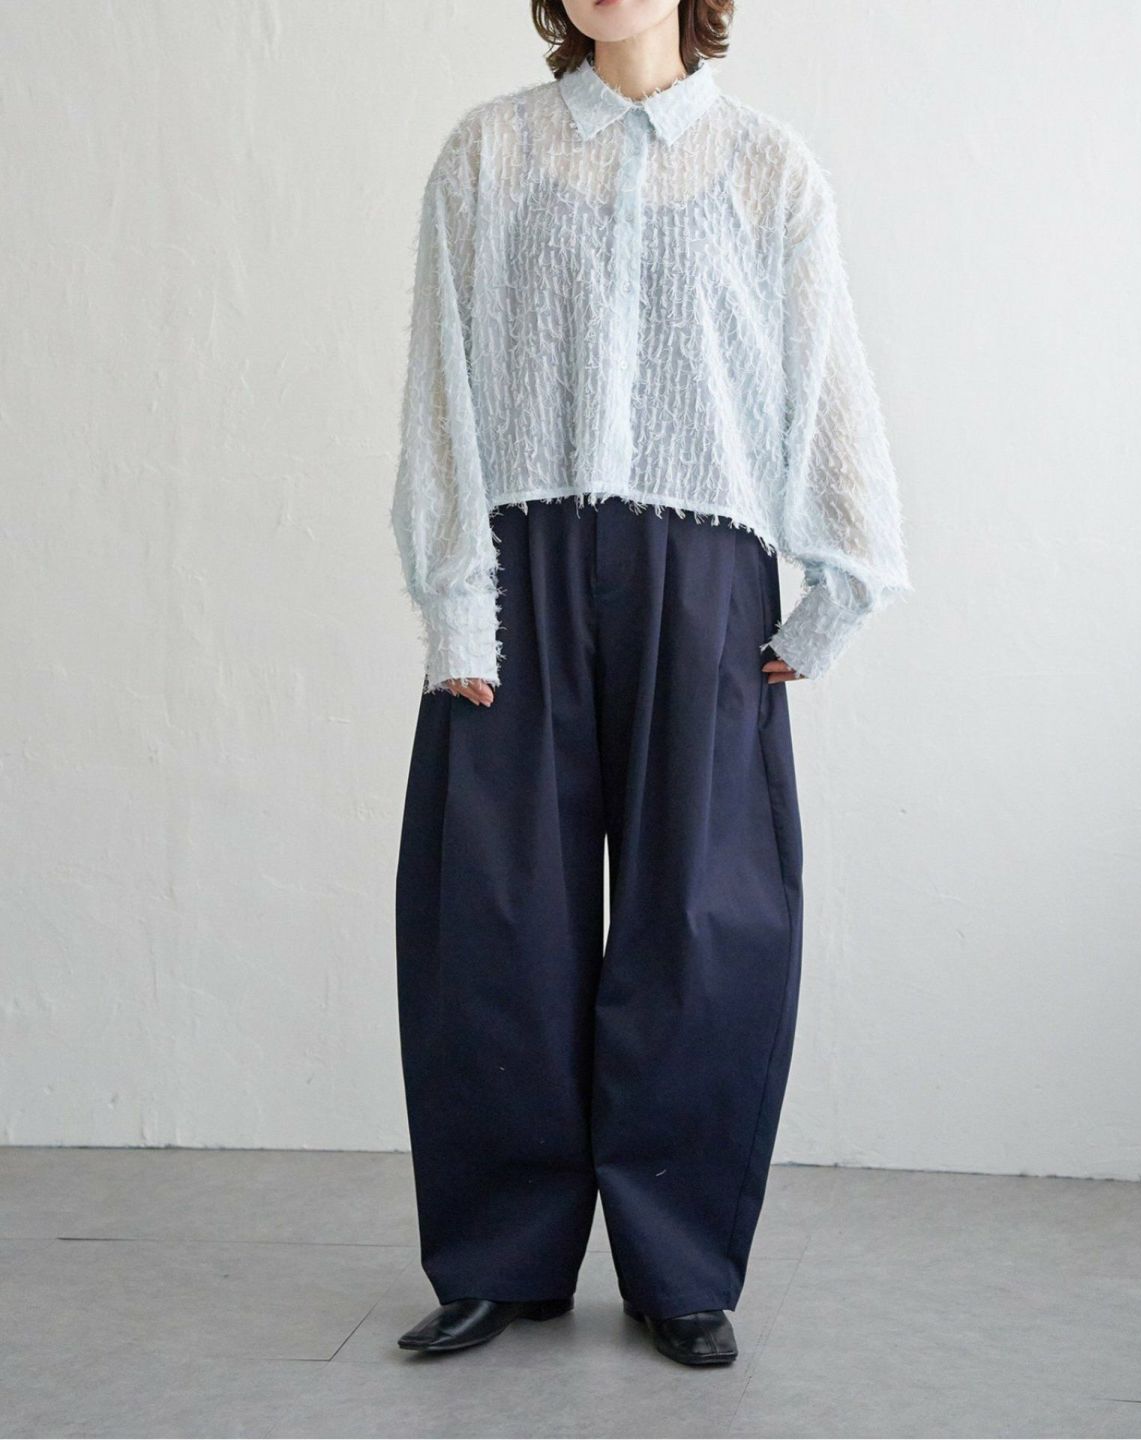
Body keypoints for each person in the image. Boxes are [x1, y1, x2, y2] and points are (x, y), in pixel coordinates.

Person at [390, 0, 911, 1367]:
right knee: (496, 911)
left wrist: (839, 590)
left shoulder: (767, 169)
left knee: (704, 917)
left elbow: (822, 375)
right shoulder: (488, 156)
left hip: (707, 579)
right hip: (518, 567)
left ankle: (680, 1265)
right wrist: (456, 602)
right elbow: (441, 385)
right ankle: (502, 1256)